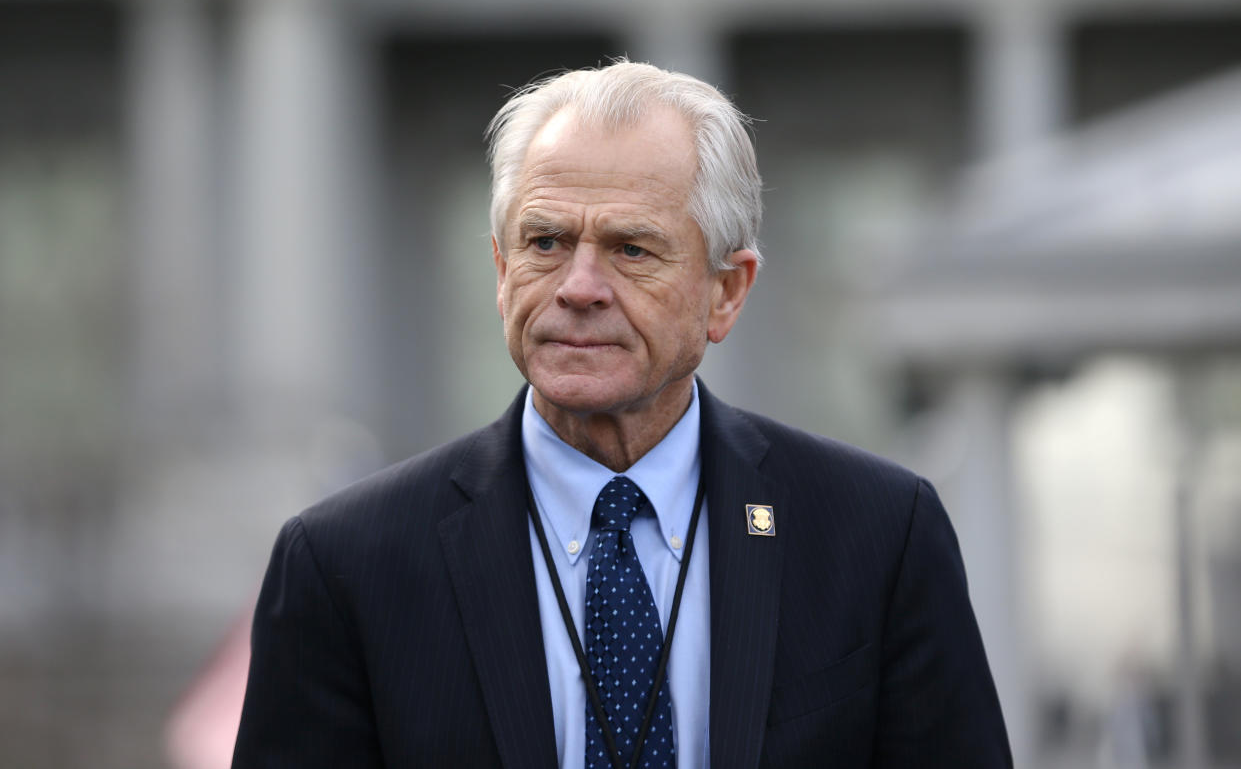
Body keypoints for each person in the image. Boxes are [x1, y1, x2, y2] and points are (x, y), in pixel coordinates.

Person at [232, 60, 1011, 769]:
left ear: (725, 291)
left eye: (631, 250)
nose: (578, 286)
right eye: (545, 241)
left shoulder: (877, 535)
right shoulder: (344, 564)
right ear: (501, 272)